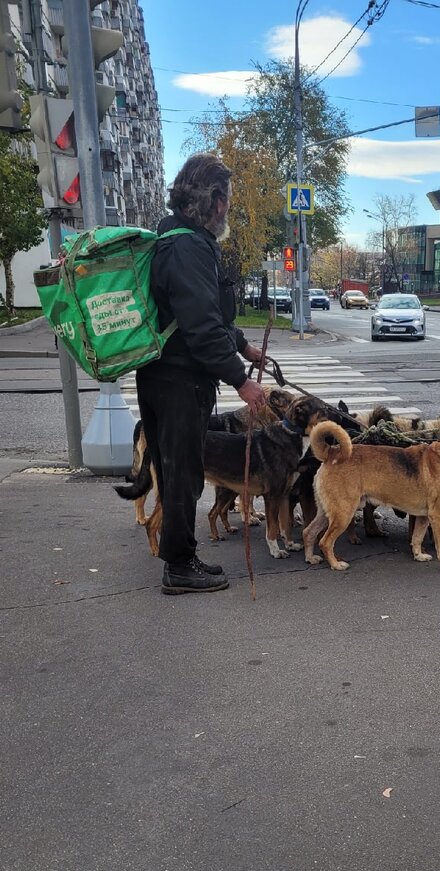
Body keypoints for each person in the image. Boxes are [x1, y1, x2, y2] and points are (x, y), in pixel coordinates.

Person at [136, 153, 267, 595]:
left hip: (162, 375)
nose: (228, 208)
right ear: (211, 201)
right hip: (179, 381)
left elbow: (206, 315)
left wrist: (245, 346)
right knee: (182, 474)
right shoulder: (189, 247)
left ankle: (183, 556)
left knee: (177, 469)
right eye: (226, 199)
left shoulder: (171, 236)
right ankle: (178, 567)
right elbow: (202, 328)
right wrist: (241, 381)